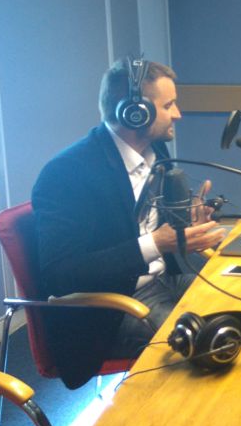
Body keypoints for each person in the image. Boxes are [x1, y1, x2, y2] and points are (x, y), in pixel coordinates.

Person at [32, 58, 226, 388]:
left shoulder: (156, 153)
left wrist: (187, 224)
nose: (178, 114)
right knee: (211, 343)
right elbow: (59, 274)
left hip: (164, 282)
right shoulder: (67, 173)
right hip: (109, 312)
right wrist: (156, 243)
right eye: (169, 105)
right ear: (136, 112)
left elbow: (149, 224)